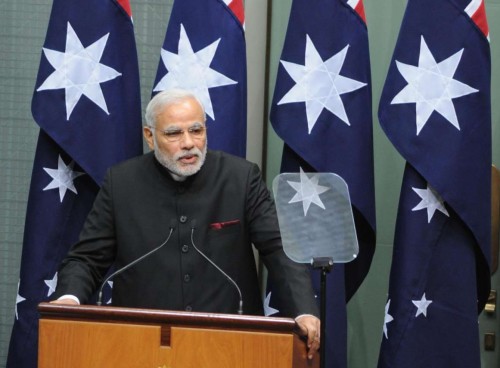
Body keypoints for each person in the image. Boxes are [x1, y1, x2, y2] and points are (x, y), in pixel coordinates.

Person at [52, 89, 320, 358]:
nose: (189, 143)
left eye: (196, 130)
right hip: (140, 343)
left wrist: (303, 309)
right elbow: (86, 259)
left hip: (230, 344)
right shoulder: (121, 184)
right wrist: (68, 299)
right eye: (174, 133)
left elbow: (278, 248)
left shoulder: (241, 178)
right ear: (150, 136)